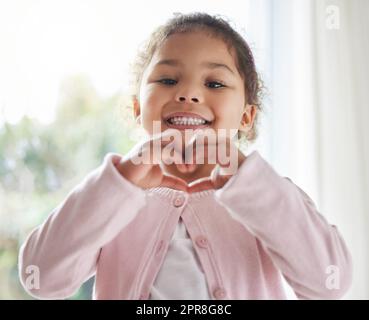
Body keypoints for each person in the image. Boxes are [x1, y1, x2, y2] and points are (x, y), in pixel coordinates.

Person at [18, 12, 352, 300]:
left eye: (215, 84)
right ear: (138, 109)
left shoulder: (269, 197)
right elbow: (41, 278)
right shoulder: (110, 197)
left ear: (246, 117)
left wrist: (248, 178)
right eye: (167, 79)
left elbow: (329, 282)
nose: (188, 93)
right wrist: (121, 180)